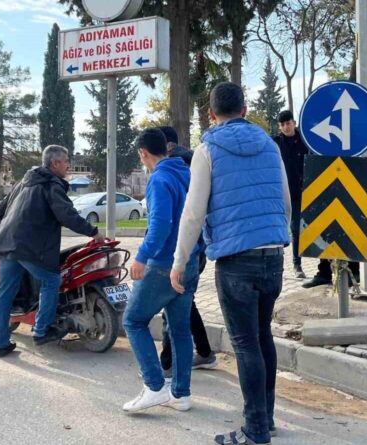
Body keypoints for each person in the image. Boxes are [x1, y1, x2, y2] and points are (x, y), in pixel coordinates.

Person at [171, 82, 291, 445]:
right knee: (262, 336)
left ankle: (254, 430)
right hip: (273, 256)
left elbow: (193, 213)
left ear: (211, 114)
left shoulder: (207, 150)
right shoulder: (271, 145)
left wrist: (179, 261)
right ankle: (265, 419)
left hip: (236, 261)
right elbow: (285, 199)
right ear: (244, 109)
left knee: (245, 344)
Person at [0, 145, 104, 358]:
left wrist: (11, 229)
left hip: (6, 244)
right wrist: (93, 232)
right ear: (55, 164)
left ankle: (0, 344)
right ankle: (41, 331)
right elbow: (66, 215)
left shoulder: (24, 182)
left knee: (4, 294)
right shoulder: (51, 184)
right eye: (66, 161)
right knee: (51, 280)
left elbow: (0, 211)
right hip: (31, 247)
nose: (69, 165)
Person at [122, 129, 201, 413]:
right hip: (190, 260)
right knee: (180, 329)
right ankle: (180, 394)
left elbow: (160, 227)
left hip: (163, 264)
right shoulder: (187, 174)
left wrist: (141, 258)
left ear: (143, 153)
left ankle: (154, 386)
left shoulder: (159, 179)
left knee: (133, 321)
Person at [157, 125, 217, 376]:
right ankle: (204, 352)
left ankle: (168, 364)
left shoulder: (172, 167)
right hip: (199, 244)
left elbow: (172, 216)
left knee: (172, 304)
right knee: (185, 301)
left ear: (167, 146)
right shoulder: (196, 161)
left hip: (181, 246)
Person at [273, 110, 309, 280]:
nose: (285, 127)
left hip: (302, 192)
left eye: (288, 123)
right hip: (280, 193)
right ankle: (277, 265)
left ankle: (297, 264)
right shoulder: (276, 143)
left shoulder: (305, 140)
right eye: (282, 125)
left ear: (294, 123)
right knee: (278, 229)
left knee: (296, 229)